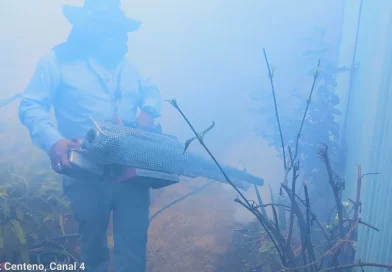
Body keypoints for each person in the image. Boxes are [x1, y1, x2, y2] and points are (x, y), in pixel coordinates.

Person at [18, 0, 161, 271]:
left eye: (123, 32)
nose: (123, 40)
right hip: (84, 171)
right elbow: (31, 106)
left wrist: (149, 112)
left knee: (133, 246)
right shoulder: (56, 60)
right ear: (90, 30)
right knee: (93, 247)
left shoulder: (127, 66)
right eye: (114, 31)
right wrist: (54, 141)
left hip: (131, 170)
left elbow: (151, 90)